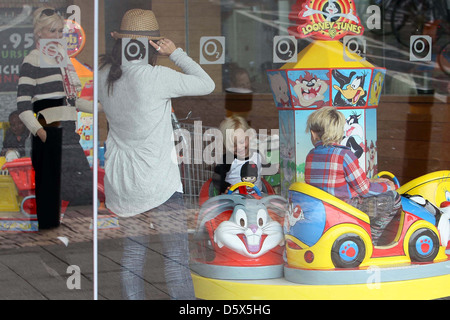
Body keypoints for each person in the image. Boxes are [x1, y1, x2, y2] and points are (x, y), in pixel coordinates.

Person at [98, 9, 215, 300]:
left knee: (133, 256)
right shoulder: (157, 76)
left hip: (123, 182)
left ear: (120, 42)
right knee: (175, 259)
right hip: (158, 182)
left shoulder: (103, 75)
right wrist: (175, 52)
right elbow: (207, 84)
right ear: (153, 45)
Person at [16, 7, 93, 230]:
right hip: (48, 131)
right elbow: (22, 104)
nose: (58, 35)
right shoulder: (33, 60)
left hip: (68, 131)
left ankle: (67, 232)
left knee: (81, 186)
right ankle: (49, 238)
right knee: (50, 190)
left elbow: (70, 100)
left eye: (60, 31)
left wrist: (100, 107)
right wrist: (40, 131)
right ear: (39, 32)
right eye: (52, 30)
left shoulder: (63, 60)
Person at [304, 107, 401, 246]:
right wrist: (387, 186)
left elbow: (336, 181)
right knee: (394, 198)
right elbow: (365, 190)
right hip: (346, 209)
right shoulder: (345, 155)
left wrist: (370, 180)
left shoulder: (311, 155)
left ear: (313, 134)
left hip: (324, 208)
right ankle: (372, 239)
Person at [212, 115, 263, 194]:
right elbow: (217, 177)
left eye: (242, 142)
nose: (239, 147)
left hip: (257, 197)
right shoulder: (227, 159)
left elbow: (264, 165)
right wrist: (225, 187)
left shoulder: (257, 154)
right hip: (233, 200)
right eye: (233, 145)